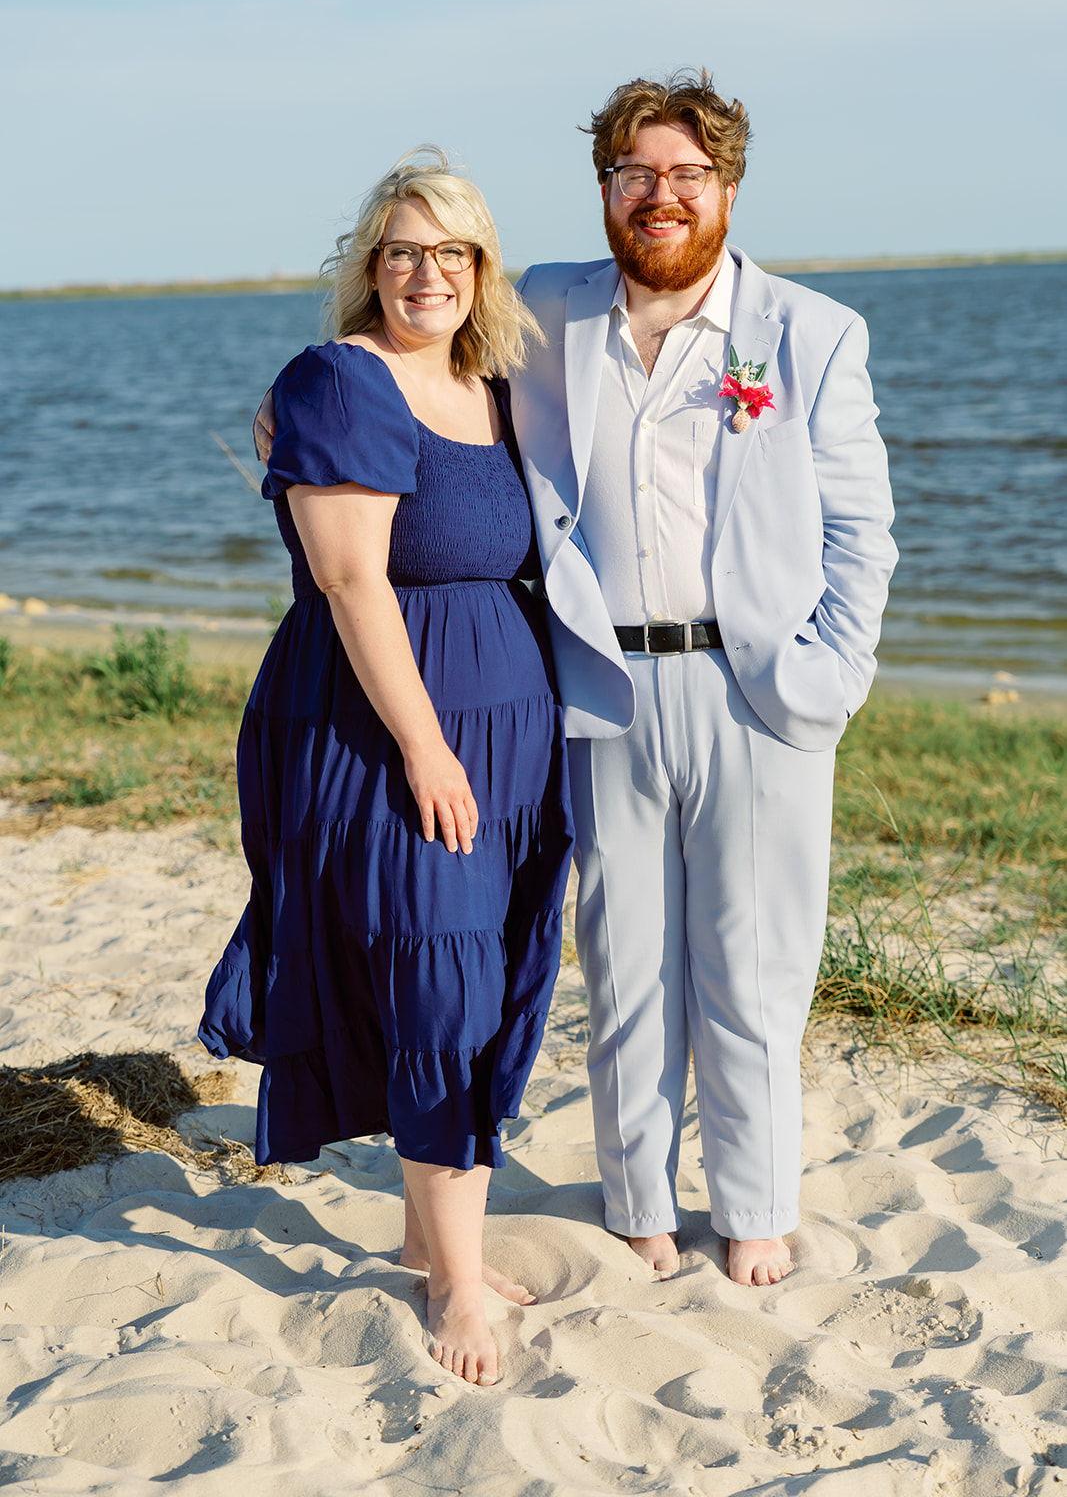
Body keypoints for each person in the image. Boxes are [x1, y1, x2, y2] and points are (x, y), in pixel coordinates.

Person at [509, 70, 897, 1286]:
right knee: (625, 967)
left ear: (726, 185)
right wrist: (300, 404)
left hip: (755, 693)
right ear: (605, 188)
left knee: (753, 967)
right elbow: (413, 324)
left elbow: (862, 535)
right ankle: (636, 1203)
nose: (659, 195)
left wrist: (829, 677)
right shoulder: (544, 310)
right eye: (634, 173)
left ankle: (754, 1207)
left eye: (684, 173)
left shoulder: (810, 334)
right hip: (603, 690)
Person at [201, 148, 573, 1386]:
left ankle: (427, 1237)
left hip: (506, 737)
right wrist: (423, 745)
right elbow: (351, 576)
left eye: (451, 251)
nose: (427, 273)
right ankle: (457, 1282)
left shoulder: (491, 387)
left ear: (481, 268)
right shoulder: (339, 380)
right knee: (438, 983)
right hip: (393, 730)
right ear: (369, 265)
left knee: (474, 970)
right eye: (402, 250)